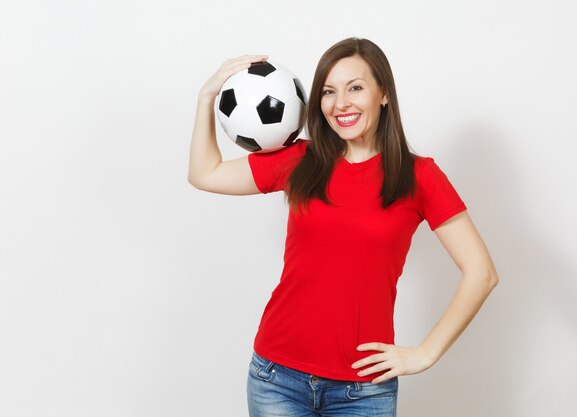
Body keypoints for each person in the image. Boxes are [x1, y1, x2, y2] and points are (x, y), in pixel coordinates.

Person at [188, 37, 499, 417]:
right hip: (277, 376)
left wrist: (426, 352)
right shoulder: (301, 159)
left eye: (355, 88)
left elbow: (481, 273)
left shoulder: (420, 176)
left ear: (383, 93)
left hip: (364, 390)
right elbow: (205, 174)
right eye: (328, 92)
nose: (340, 104)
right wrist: (207, 95)